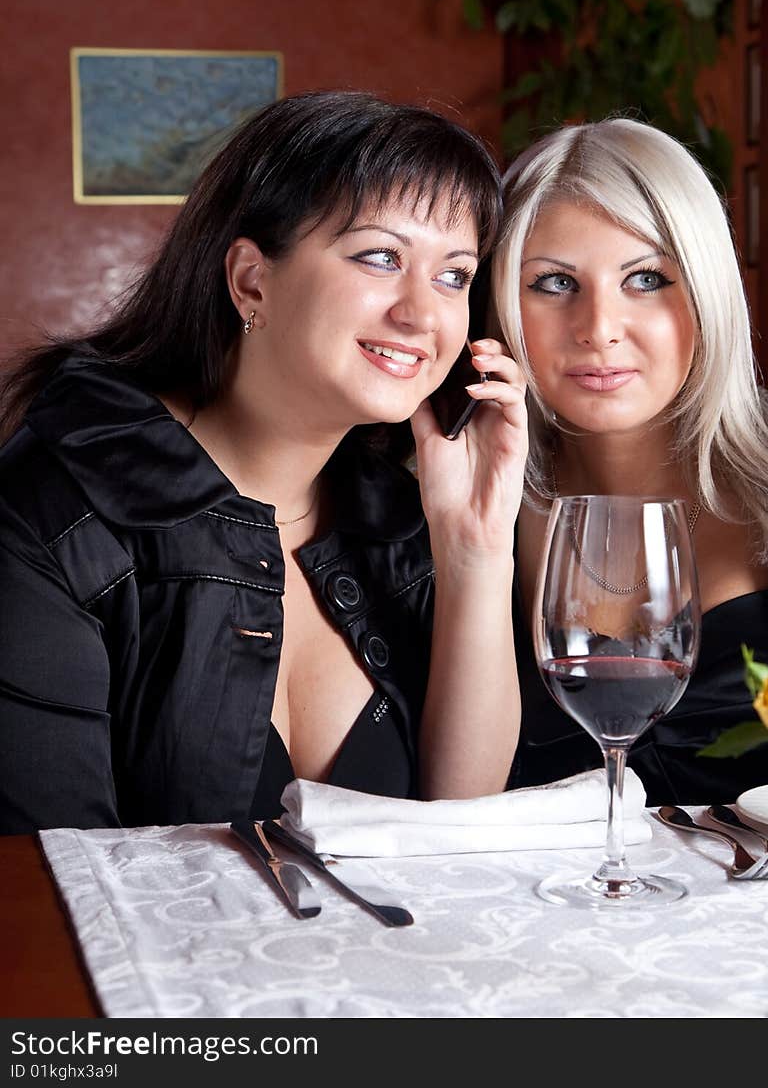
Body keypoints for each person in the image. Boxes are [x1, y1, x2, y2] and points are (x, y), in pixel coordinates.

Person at [0, 90, 528, 834]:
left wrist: (475, 548)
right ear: (252, 280)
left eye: (454, 275)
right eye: (381, 257)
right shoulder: (49, 517)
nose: (422, 313)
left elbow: (456, 833)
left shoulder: (396, 521)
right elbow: (50, 880)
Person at [492, 116, 768, 805]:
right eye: (552, 283)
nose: (599, 327)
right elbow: (448, 808)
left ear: (705, 290)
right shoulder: (447, 510)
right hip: (546, 909)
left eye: (646, 277)